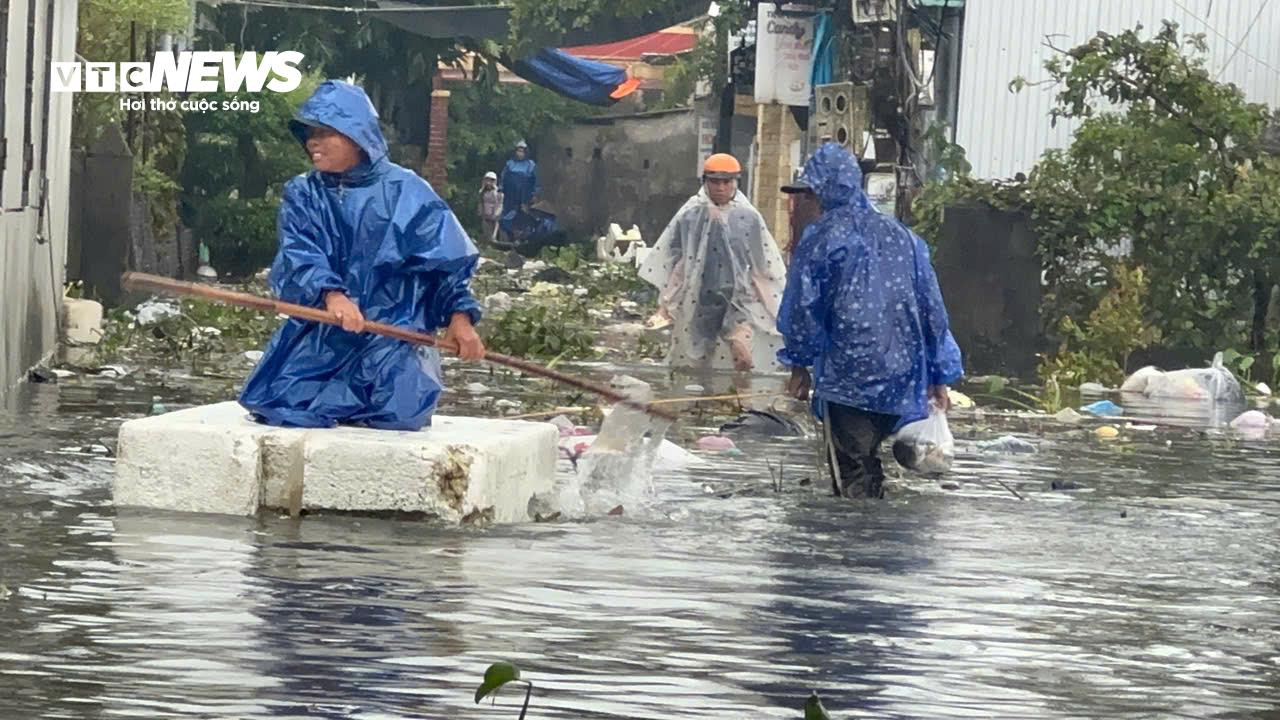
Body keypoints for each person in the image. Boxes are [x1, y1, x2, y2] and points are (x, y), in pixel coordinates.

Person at [239, 79, 485, 431]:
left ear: (356, 136)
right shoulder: (303, 193)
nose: (313, 143)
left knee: (397, 411)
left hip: (394, 332)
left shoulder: (408, 191)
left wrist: (460, 321)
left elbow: (445, 266)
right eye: (311, 133)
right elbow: (301, 252)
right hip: (326, 330)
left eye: (325, 133)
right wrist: (332, 296)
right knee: (284, 400)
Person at [777, 142, 963, 499]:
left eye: (808, 196)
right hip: (903, 377)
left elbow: (802, 308)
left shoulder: (821, 238)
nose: (805, 205)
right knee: (870, 465)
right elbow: (933, 311)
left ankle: (857, 542)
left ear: (821, 192)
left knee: (852, 472)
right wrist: (940, 375)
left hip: (850, 377)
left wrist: (798, 366)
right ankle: (876, 539)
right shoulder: (905, 237)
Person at [638, 153, 787, 372]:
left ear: (735, 182)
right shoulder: (690, 214)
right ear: (705, 182)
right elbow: (679, 261)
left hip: (739, 299)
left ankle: (741, 402)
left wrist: (776, 308)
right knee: (697, 361)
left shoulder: (748, 217)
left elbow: (762, 264)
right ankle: (702, 402)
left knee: (742, 355)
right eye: (715, 181)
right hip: (699, 299)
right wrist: (667, 304)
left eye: (727, 182)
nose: (721, 188)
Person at [500, 140, 538, 217]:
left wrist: (535, 193)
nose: (520, 154)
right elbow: (503, 177)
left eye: (522, 151)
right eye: (518, 151)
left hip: (525, 194)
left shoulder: (530, 164)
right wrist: (500, 188)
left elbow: (536, 180)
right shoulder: (510, 163)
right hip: (510, 194)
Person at [478, 171, 503, 244]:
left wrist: (496, 214)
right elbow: (480, 203)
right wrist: (481, 211)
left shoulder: (498, 192)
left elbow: (500, 204)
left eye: (491, 180)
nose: (489, 182)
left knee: (493, 236)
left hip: (494, 217)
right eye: (487, 180)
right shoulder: (481, 192)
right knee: (486, 233)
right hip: (485, 216)